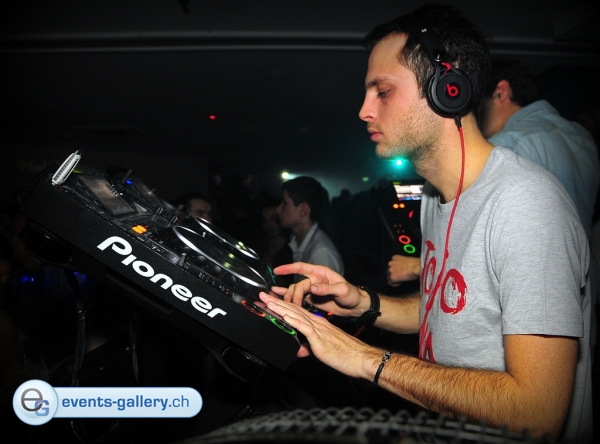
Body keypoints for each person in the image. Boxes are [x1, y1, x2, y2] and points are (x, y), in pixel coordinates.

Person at [259, 3, 592, 442]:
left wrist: (363, 358)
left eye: (382, 91)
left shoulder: (525, 204)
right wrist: (361, 302)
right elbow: (444, 311)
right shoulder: (435, 198)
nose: (363, 110)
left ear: (447, 90)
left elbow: (538, 412)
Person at [277, 176, 344, 278]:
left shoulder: (321, 255)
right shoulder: (299, 242)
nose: (278, 210)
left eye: (285, 203)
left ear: (303, 210)